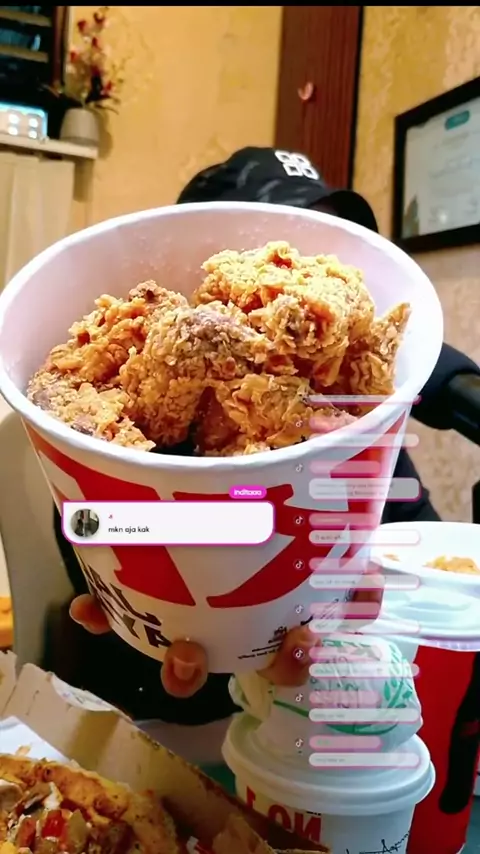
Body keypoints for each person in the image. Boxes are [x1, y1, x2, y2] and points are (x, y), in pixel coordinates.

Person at [56, 146, 479, 764]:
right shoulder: (122, 411)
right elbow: (98, 536)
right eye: (287, 236)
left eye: (328, 242)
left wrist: (359, 601)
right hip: (164, 730)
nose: (315, 266)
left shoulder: (353, 420)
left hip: (331, 733)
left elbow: (414, 562)